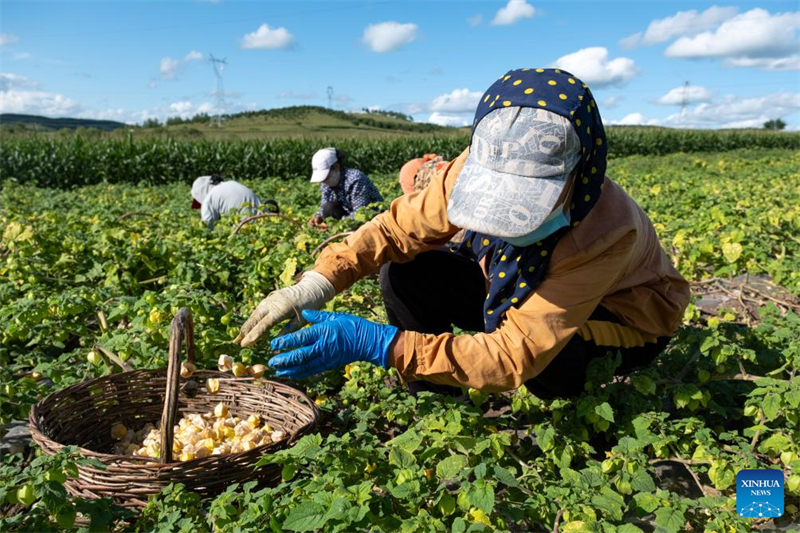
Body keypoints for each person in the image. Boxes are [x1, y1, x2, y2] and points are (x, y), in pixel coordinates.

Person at [235, 68, 690, 398]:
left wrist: (378, 344)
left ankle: (583, 409)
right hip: (518, 285)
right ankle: (439, 399)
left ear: (580, 173)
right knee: (405, 273)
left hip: (621, 321)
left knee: (548, 369)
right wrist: (317, 283)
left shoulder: (606, 234)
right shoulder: (467, 168)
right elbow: (394, 229)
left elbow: (517, 353)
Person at [307, 148, 384, 231]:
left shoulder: (356, 179)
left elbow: (360, 214)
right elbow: (325, 204)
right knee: (329, 207)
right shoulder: (326, 183)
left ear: (336, 166)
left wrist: (334, 226)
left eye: (326, 177)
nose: (324, 181)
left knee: (359, 222)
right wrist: (318, 217)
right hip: (348, 217)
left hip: (372, 219)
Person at [190, 175, 277, 230]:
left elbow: (207, 228)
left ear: (200, 194)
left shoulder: (209, 199)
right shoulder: (232, 183)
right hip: (267, 222)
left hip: (245, 229)